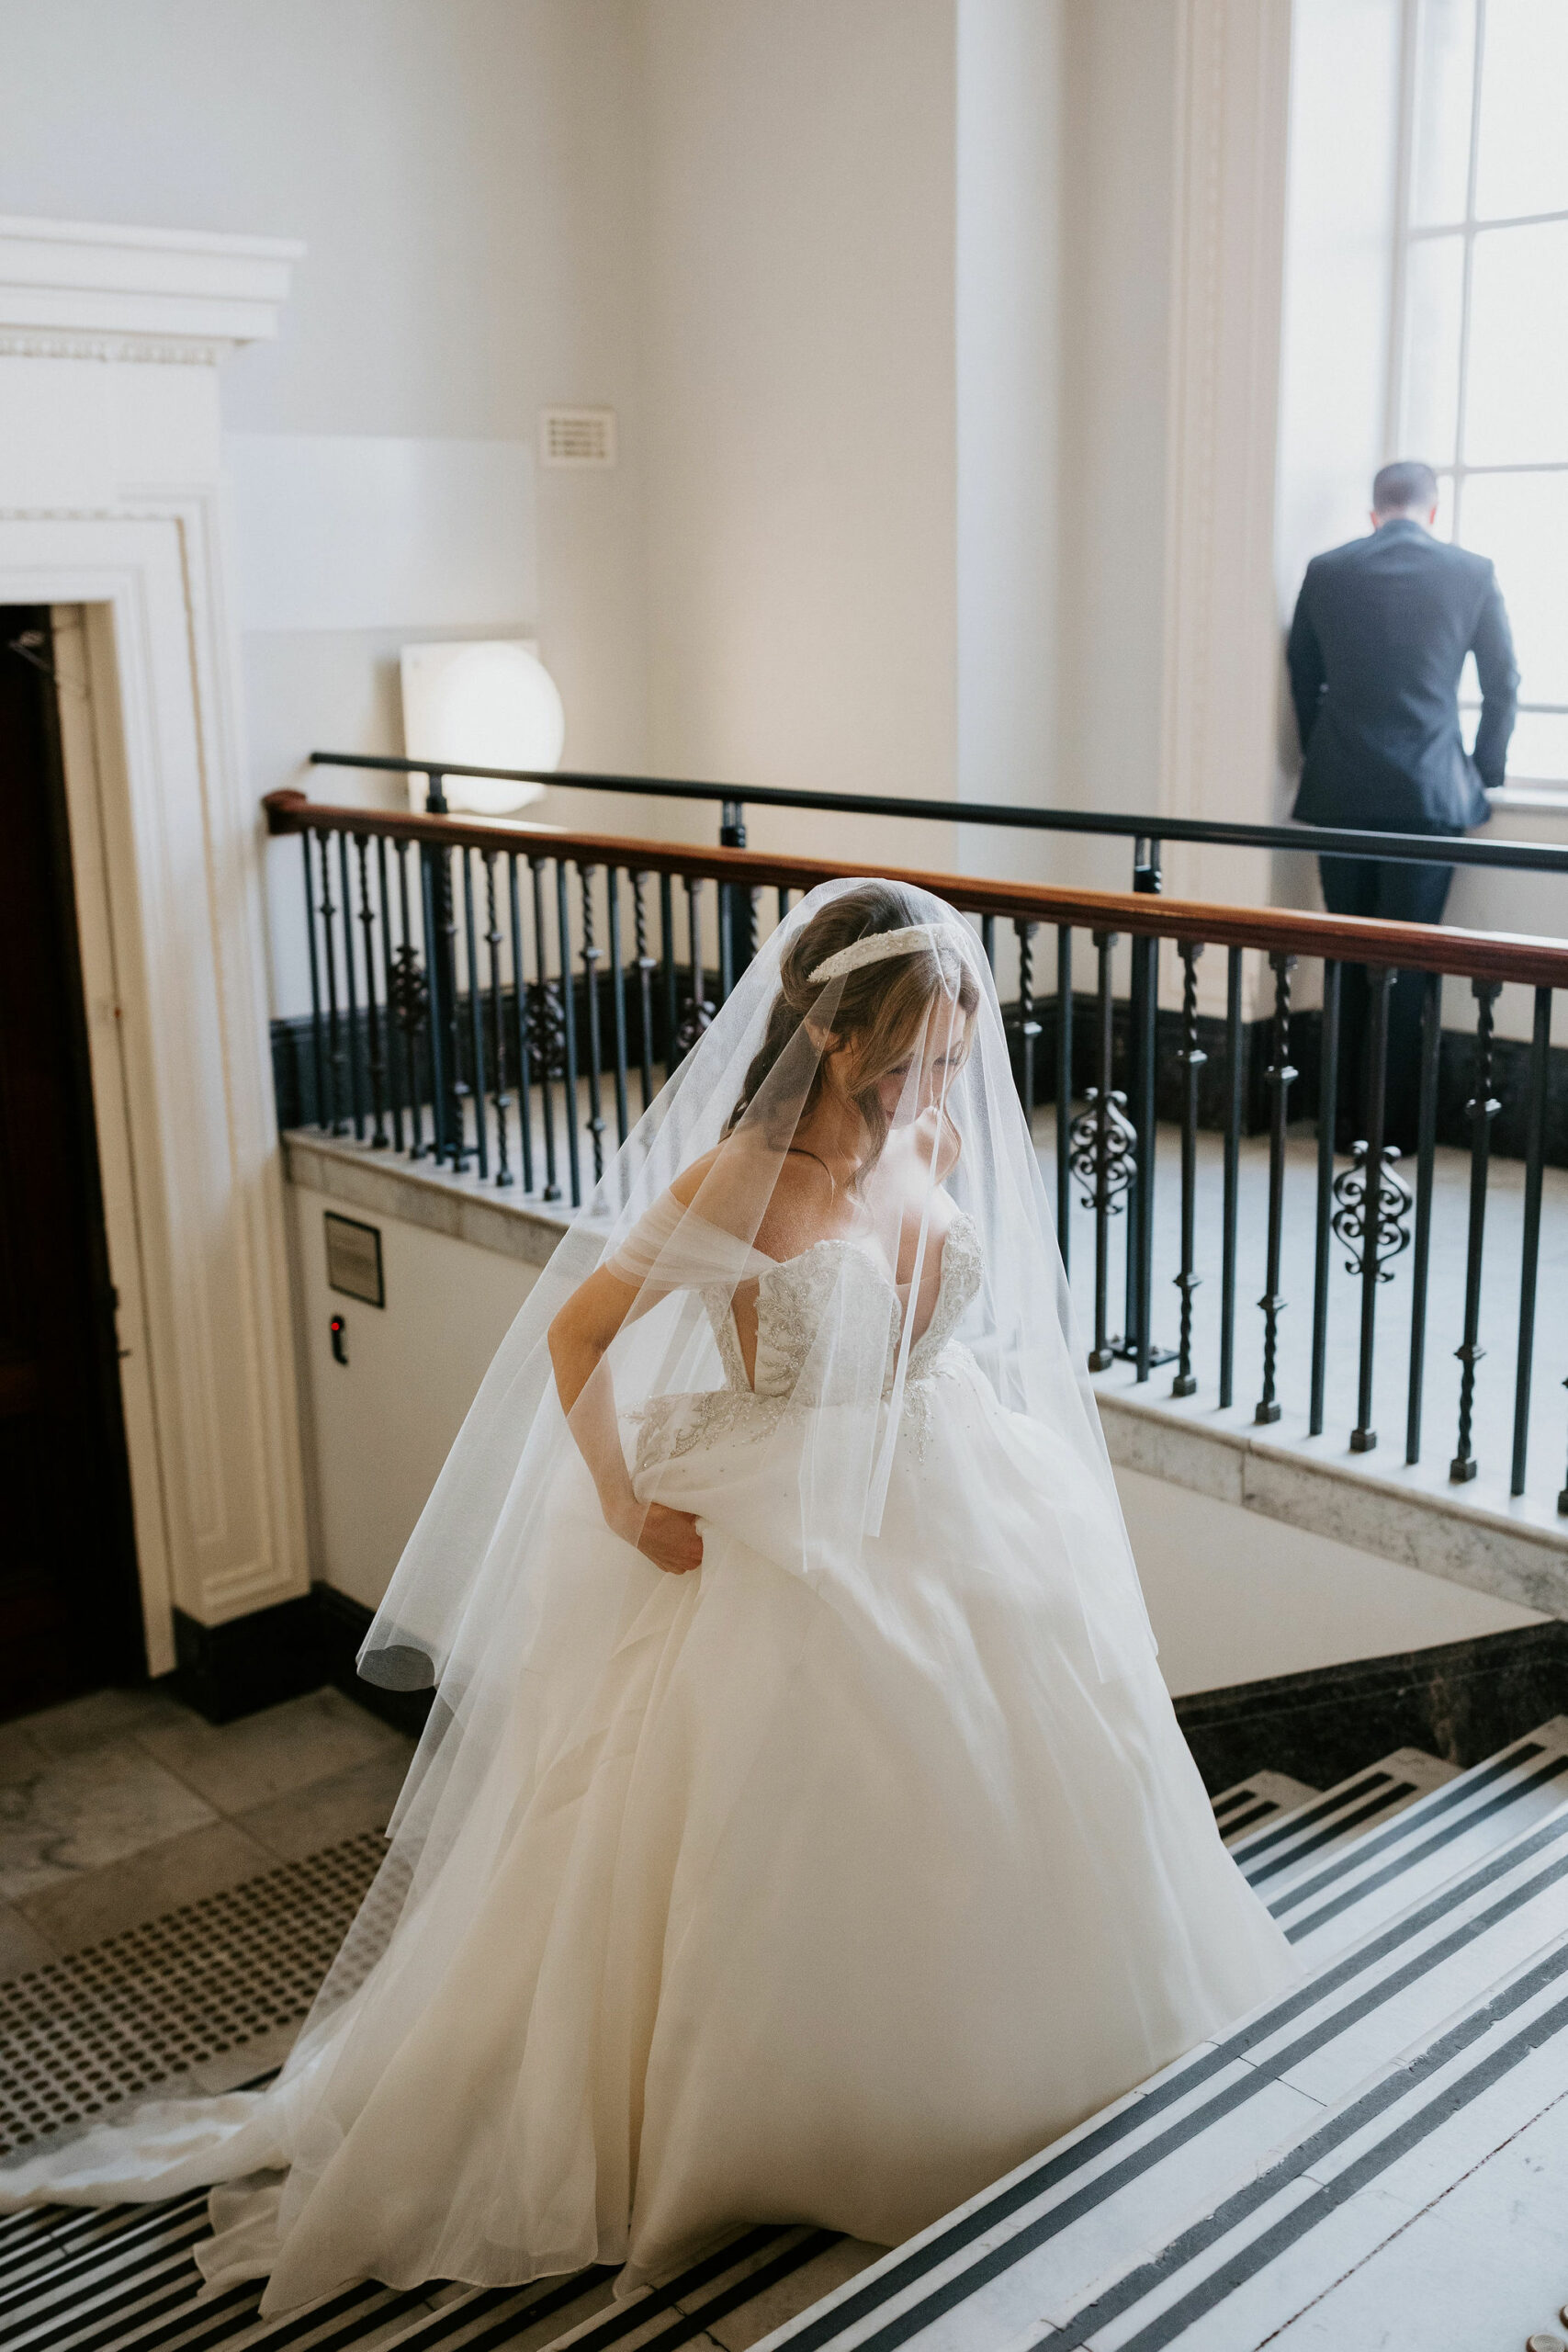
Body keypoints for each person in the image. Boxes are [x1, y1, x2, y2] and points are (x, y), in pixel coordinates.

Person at [0, 881, 1298, 2308]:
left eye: (951, 1054)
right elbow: (575, 1338)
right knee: (798, 1813)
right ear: (828, 1031)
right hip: (778, 1540)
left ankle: (1030, 2060)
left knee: (1019, 1768)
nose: (937, 1086)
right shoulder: (735, 1180)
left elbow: (919, 1306)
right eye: (913, 1054)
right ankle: (799, 2117)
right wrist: (622, 1501)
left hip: (948, 1494)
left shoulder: (919, 1131)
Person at [1288, 458, 1518, 1148]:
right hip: (1429, 793)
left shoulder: (1327, 569)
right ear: (1433, 509)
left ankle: (1339, 1123)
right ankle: (1394, 1132)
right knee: (1408, 965)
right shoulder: (1470, 571)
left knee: (1348, 956)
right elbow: (1503, 681)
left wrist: (1318, 753)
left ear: (1372, 512)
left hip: (1340, 790)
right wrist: (1481, 773)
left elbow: (1303, 672)